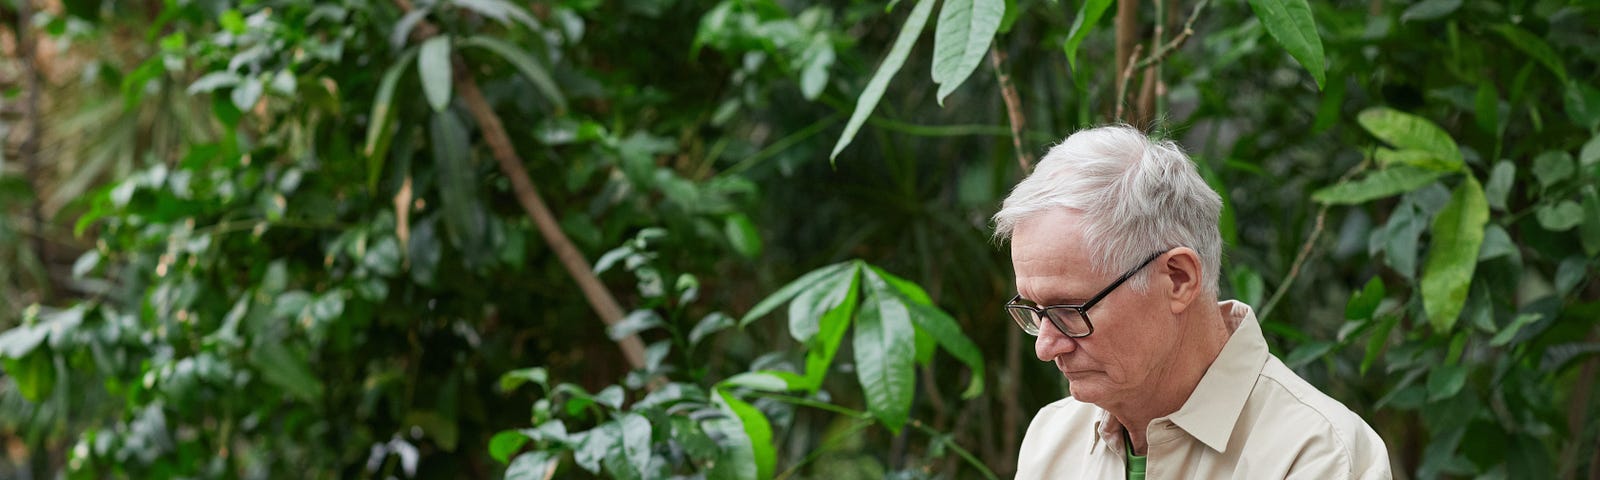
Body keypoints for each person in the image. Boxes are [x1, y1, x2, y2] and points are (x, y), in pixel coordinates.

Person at [992, 125, 1391, 479]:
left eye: (1068, 310)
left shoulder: (1316, 455)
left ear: (1179, 279)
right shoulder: (1053, 439)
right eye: (1034, 311)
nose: (1045, 347)